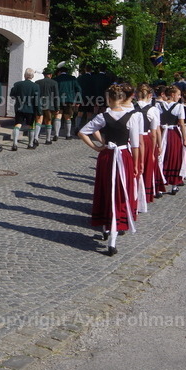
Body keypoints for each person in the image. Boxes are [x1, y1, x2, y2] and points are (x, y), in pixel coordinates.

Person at [78, 84, 142, 257]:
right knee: (120, 193)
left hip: (107, 157)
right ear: (122, 98)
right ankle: (112, 235)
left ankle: (107, 226)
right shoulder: (133, 116)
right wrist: (136, 165)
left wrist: (98, 148)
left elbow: (83, 132)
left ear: (109, 99)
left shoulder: (103, 116)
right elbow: (135, 145)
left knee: (107, 192)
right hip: (124, 157)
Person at [9, 68, 40, 150]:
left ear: (24, 75)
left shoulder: (17, 84)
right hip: (31, 109)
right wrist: (39, 111)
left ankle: (15, 144)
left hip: (19, 108)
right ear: (32, 76)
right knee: (31, 126)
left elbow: (12, 95)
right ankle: (30, 144)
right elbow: (37, 100)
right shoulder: (36, 86)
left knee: (17, 125)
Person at [54, 65, 81, 140]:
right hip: (69, 100)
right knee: (68, 117)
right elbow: (78, 89)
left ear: (60, 72)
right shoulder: (72, 78)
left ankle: (56, 134)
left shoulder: (56, 79)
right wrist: (78, 100)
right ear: (66, 72)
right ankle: (68, 134)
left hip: (58, 99)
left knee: (58, 116)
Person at [36, 67, 61, 144]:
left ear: (44, 75)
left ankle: (35, 138)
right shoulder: (54, 83)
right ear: (50, 75)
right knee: (48, 121)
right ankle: (48, 139)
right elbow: (56, 96)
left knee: (39, 120)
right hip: (49, 104)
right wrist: (57, 108)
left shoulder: (37, 82)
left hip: (39, 103)